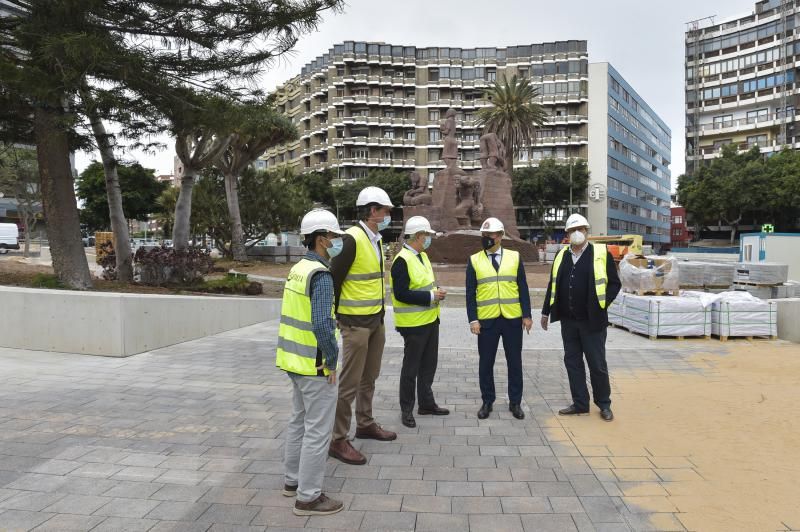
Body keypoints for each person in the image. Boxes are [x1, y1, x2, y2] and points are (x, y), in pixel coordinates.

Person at [277, 208, 345, 516]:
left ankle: (292, 481)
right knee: (318, 431)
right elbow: (320, 324)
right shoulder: (321, 275)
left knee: (298, 422)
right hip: (315, 365)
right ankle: (308, 497)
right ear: (321, 239)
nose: (338, 241)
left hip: (294, 361)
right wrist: (331, 360)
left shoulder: (298, 269)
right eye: (334, 236)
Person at [328, 186, 397, 465]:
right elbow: (334, 279)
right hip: (355, 324)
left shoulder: (376, 239)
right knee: (349, 383)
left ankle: (365, 423)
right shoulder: (351, 239)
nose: (389, 215)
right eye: (385, 210)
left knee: (369, 377)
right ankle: (338, 439)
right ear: (372, 211)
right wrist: (334, 317)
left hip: (375, 321)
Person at [541, 213, 621, 422]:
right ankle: (580, 403)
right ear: (567, 234)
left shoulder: (601, 253)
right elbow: (553, 285)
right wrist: (545, 312)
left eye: (581, 229)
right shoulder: (561, 256)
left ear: (587, 231)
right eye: (573, 230)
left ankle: (604, 403)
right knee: (573, 363)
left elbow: (614, 284)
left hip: (592, 322)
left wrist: (602, 304)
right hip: (568, 321)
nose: (577, 233)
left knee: (597, 364)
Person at [466, 217, 533, 420]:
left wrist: (527, 315)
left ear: (501, 236)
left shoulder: (514, 257)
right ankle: (487, 401)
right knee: (486, 363)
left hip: (512, 319)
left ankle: (515, 402)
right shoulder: (474, 259)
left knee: (515, 362)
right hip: (486, 321)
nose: (487, 238)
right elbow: (470, 293)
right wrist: (473, 319)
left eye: (492, 234)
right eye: (485, 235)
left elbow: (523, 287)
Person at [390, 216, 448, 428]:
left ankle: (426, 403)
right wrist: (432, 297)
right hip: (413, 324)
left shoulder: (421, 257)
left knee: (428, 366)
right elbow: (402, 293)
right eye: (427, 236)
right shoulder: (401, 260)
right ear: (417, 236)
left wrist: (436, 291)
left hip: (430, 319)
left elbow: (424, 284)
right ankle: (407, 409)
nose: (429, 240)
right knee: (411, 368)